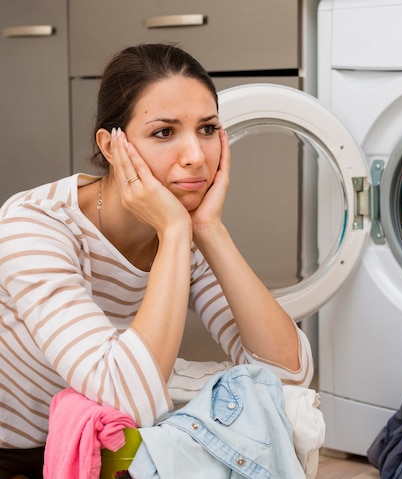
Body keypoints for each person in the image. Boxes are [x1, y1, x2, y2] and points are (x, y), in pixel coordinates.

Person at [0, 43, 313, 478]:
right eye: (164, 133)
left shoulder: (183, 227)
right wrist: (173, 231)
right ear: (111, 145)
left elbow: (288, 376)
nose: (196, 156)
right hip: (17, 457)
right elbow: (127, 398)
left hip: (110, 446)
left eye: (207, 129)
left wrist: (208, 231)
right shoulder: (34, 224)